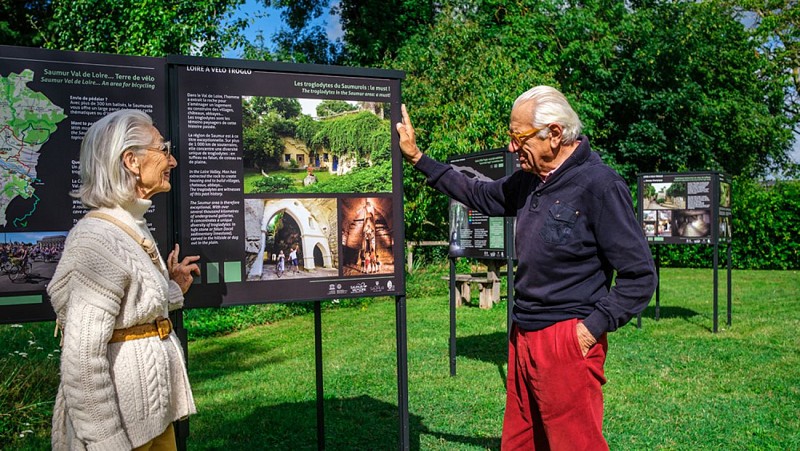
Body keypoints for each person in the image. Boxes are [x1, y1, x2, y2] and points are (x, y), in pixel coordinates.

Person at [396, 86, 657, 450]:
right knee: (521, 441)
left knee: (574, 443)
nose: (511, 148)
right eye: (511, 137)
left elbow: (640, 276)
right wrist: (418, 158)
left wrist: (587, 331)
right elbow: (480, 194)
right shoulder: (531, 179)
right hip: (524, 332)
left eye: (519, 138)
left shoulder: (600, 186)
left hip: (566, 338)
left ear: (554, 134)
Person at [48, 109, 201, 450]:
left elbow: (131, 309)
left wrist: (172, 288)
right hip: (121, 433)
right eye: (163, 149)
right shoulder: (95, 239)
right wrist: (104, 440)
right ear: (132, 161)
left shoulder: (129, 227)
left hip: (152, 420)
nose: (172, 161)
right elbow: (82, 358)